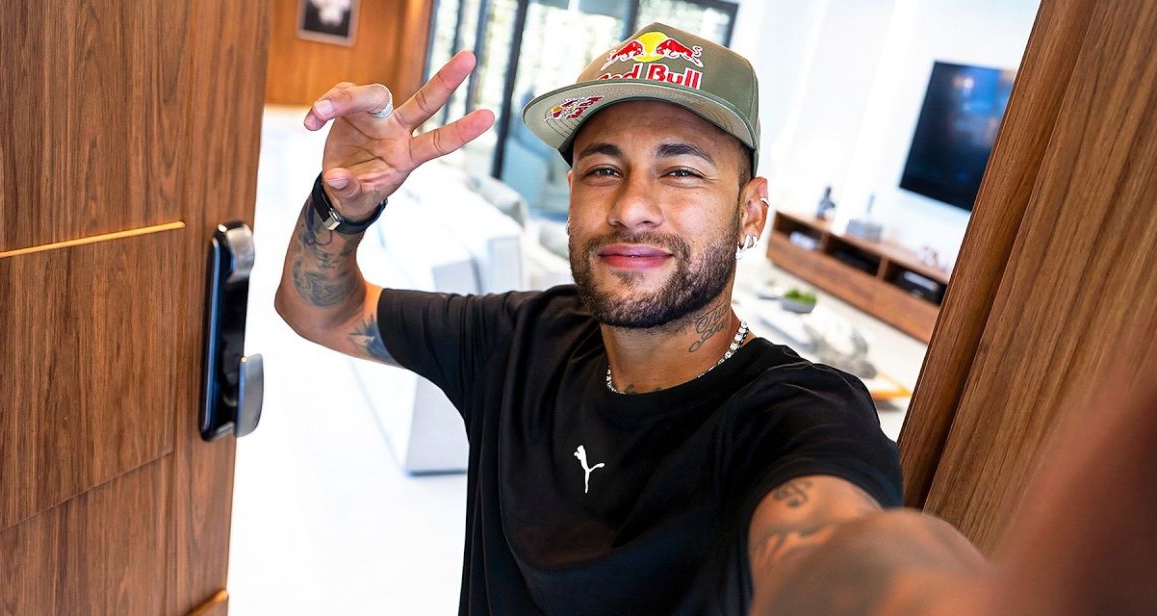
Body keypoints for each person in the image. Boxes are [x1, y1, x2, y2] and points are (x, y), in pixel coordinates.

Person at [276, 23, 984, 615]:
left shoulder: (793, 413)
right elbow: (319, 309)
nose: (632, 208)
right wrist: (344, 207)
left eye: (681, 171)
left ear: (751, 212)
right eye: (603, 169)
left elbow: (835, 547)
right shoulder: (521, 339)